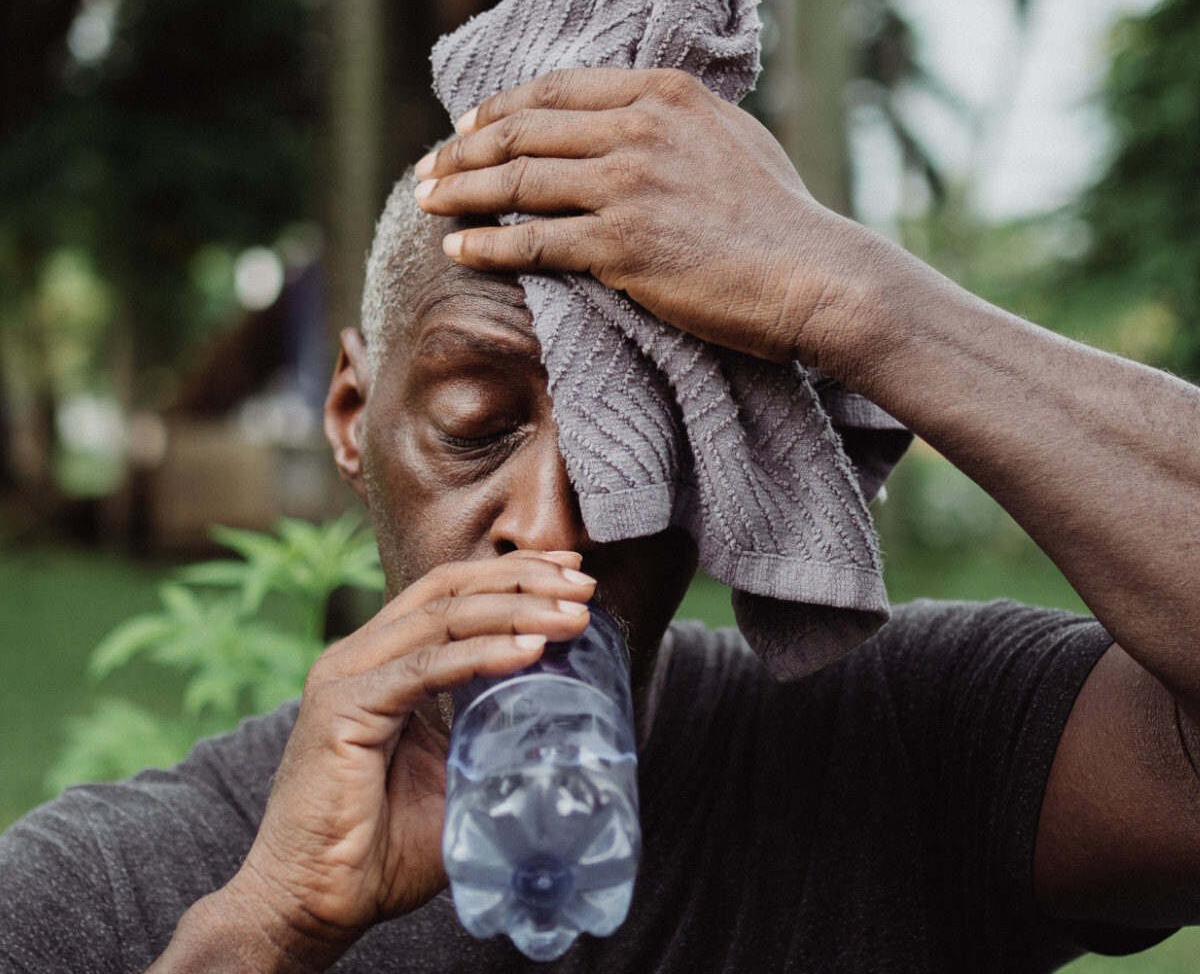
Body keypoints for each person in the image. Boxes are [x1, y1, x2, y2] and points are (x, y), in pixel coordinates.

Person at [3, 67, 1199, 973]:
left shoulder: (910, 748)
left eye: (644, 447)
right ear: (352, 419)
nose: (550, 528)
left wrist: (851, 294)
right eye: (476, 424)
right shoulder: (105, 890)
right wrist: (262, 929)